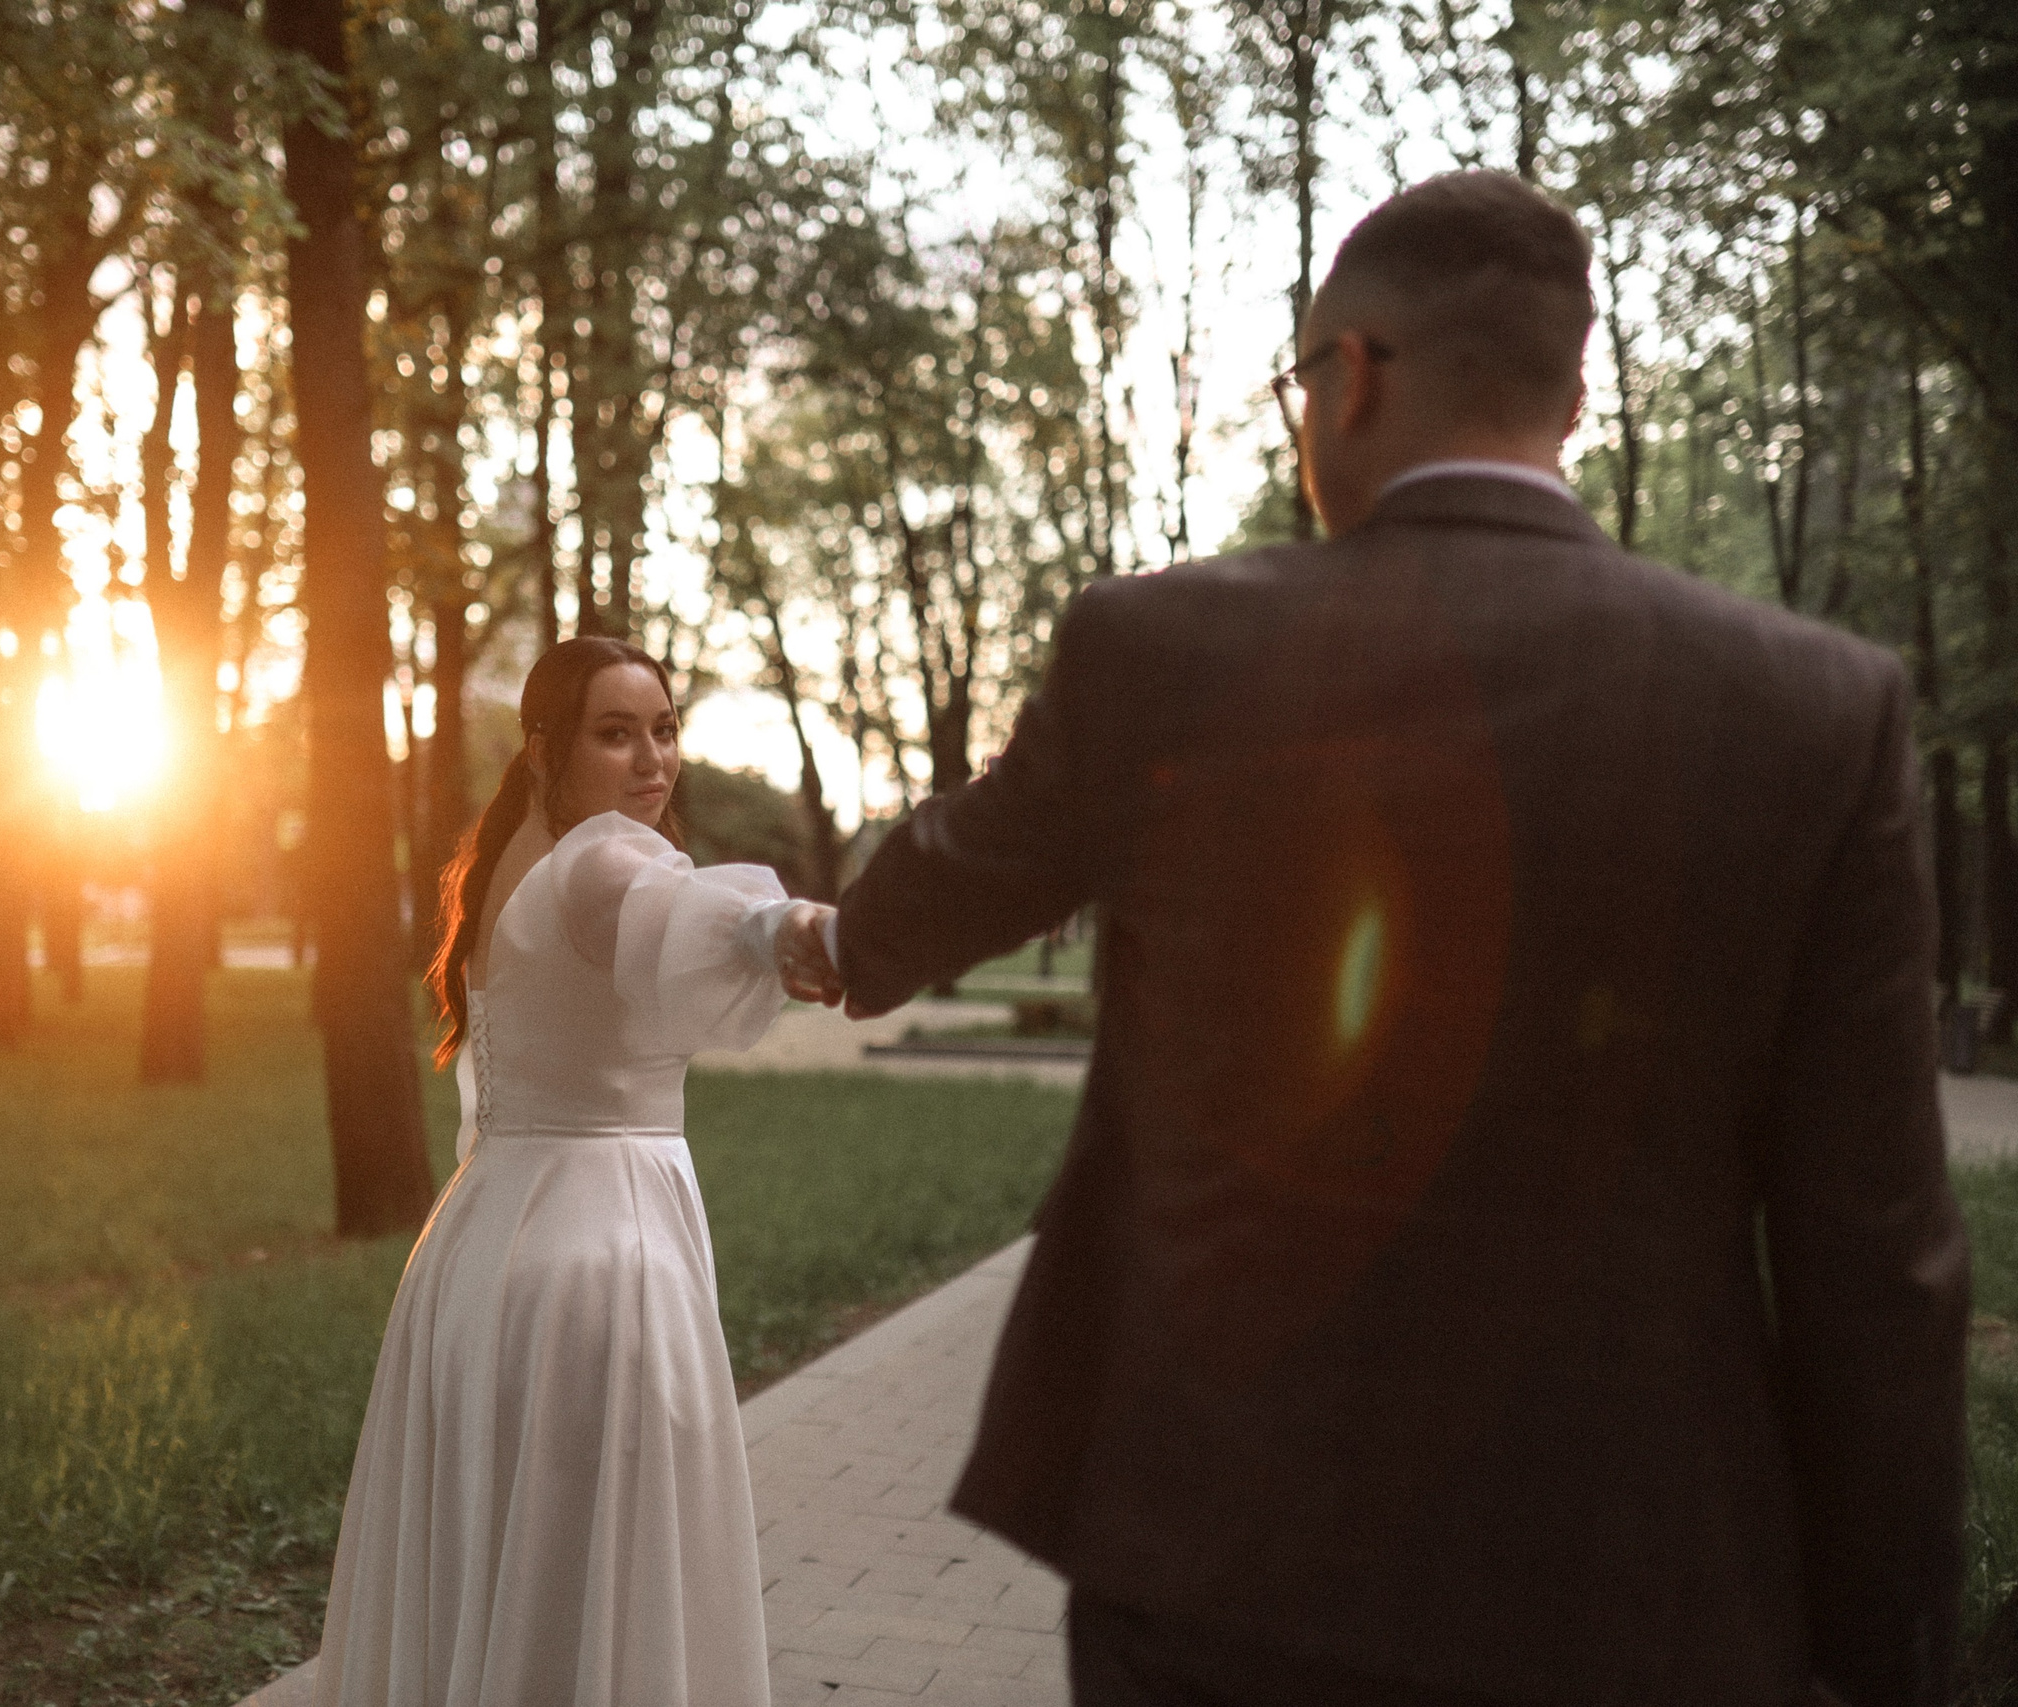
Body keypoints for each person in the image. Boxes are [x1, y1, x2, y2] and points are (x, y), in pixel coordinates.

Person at [817, 172, 1969, 1706]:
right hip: (1642, 1592)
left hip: (1219, 1569)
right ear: (1565, 397)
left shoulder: (1160, 651)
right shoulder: (1816, 709)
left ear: (1353, 374)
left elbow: (919, 905)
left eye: (1300, 379)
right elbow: (1879, 1263)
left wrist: (812, 932)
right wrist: (1883, 1654)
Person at [303, 636, 838, 1707]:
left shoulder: (511, 858)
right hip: (601, 1265)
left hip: (478, 1256)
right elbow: (714, 921)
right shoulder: (602, 859)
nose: (652, 760)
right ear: (544, 747)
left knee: (506, 1564)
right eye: (615, 732)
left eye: (664, 729)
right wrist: (799, 928)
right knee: (598, 1571)